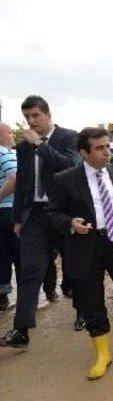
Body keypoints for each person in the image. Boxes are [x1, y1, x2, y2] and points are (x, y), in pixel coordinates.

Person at [48, 127, 113, 380]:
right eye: (100, 148)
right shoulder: (65, 179)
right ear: (84, 152)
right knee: (91, 300)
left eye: (107, 146)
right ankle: (103, 353)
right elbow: (52, 214)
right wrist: (70, 223)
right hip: (85, 245)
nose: (107, 152)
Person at [1, 96, 80, 348]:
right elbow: (23, 183)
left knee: (74, 266)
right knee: (29, 271)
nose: (31, 121)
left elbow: (69, 166)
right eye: (27, 117)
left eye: (35, 115)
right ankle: (21, 330)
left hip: (63, 212)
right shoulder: (23, 147)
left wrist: (40, 145)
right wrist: (16, 218)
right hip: (34, 214)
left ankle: (83, 313)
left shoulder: (68, 137)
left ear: (48, 114)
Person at [0, 123, 18, 311]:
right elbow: (13, 179)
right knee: (18, 254)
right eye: (10, 132)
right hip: (10, 211)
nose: (13, 135)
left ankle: (3, 296)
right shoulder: (4, 153)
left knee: (3, 254)